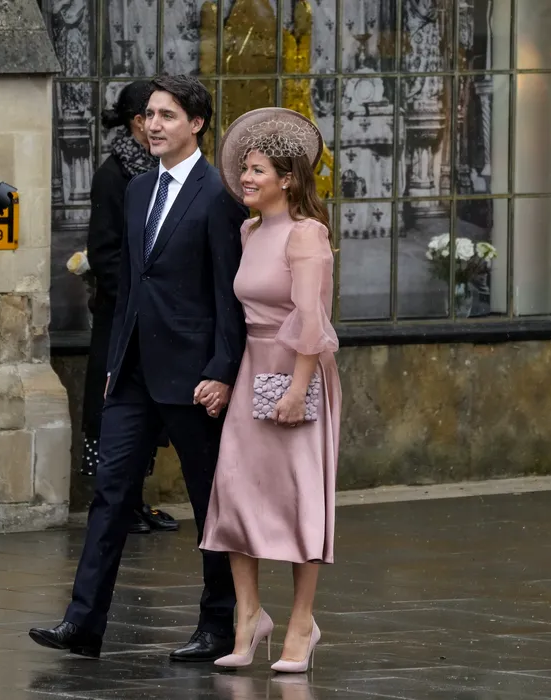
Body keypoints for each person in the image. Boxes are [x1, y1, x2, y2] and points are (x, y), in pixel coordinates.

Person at [29, 75, 248, 662]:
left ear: (196, 124)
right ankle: (83, 623)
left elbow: (229, 294)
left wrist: (223, 370)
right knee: (110, 495)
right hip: (131, 373)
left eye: (167, 116)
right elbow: (128, 285)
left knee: (209, 503)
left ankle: (218, 625)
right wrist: (113, 359)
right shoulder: (137, 189)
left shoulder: (219, 194)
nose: (153, 125)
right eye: (149, 115)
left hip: (194, 376)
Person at [199, 108, 341, 674]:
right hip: (252, 370)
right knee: (236, 493)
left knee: (299, 498)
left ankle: (302, 624)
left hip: (296, 370)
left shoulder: (307, 235)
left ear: (288, 178)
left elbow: (312, 319)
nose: (246, 179)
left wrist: (297, 389)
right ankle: (249, 616)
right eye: (245, 169)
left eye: (258, 170)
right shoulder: (250, 230)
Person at [84, 80, 177, 535]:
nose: (159, 124)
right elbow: (104, 253)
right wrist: (138, 298)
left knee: (147, 414)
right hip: (122, 316)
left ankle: (136, 502)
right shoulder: (114, 175)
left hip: (155, 317)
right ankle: (116, 505)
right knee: (116, 411)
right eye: (154, 115)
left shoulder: (162, 172)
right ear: (138, 122)